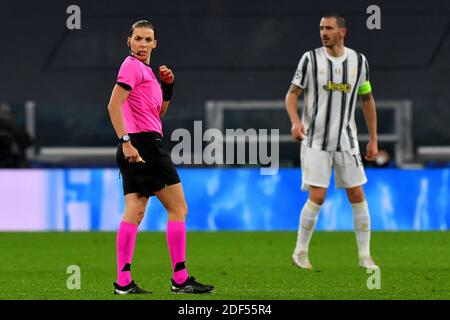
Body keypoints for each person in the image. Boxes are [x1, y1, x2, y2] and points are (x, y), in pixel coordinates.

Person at [107, 20, 214, 294]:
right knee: (178, 209)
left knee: (135, 211)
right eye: (138, 39)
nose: (142, 45)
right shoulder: (131, 66)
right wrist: (126, 142)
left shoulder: (148, 73)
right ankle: (180, 279)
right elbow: (112, 105)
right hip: (144, 145)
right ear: (129, 41)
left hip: (139, 142)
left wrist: (168, 86)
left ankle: (123, 282)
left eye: (147, 40)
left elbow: (158, 114)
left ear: (155, 43)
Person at [285, 13, 379, 270]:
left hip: (347, 140)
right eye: (321, 28)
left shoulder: (359, 62)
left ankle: (364, 256)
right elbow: (292, 95)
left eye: (328, 28)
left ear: (342, 32)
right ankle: (300, 252)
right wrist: (295, 121)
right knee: (318, 195)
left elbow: (367, 100)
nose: (323, 32)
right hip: (315, 139)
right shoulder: (310, 59)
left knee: (357, 193)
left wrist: (373, 139)